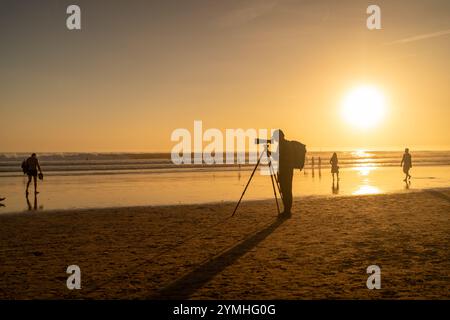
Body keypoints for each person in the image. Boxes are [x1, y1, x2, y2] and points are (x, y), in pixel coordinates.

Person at [272, 129, 294, 218]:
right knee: (287, 190)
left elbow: (278, 158)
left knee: (285, 190)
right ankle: (287, 210)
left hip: (285, 171)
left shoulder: (282, 145)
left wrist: (269, 153)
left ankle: (287, 211)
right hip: (288, 170)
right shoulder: (287, 144)